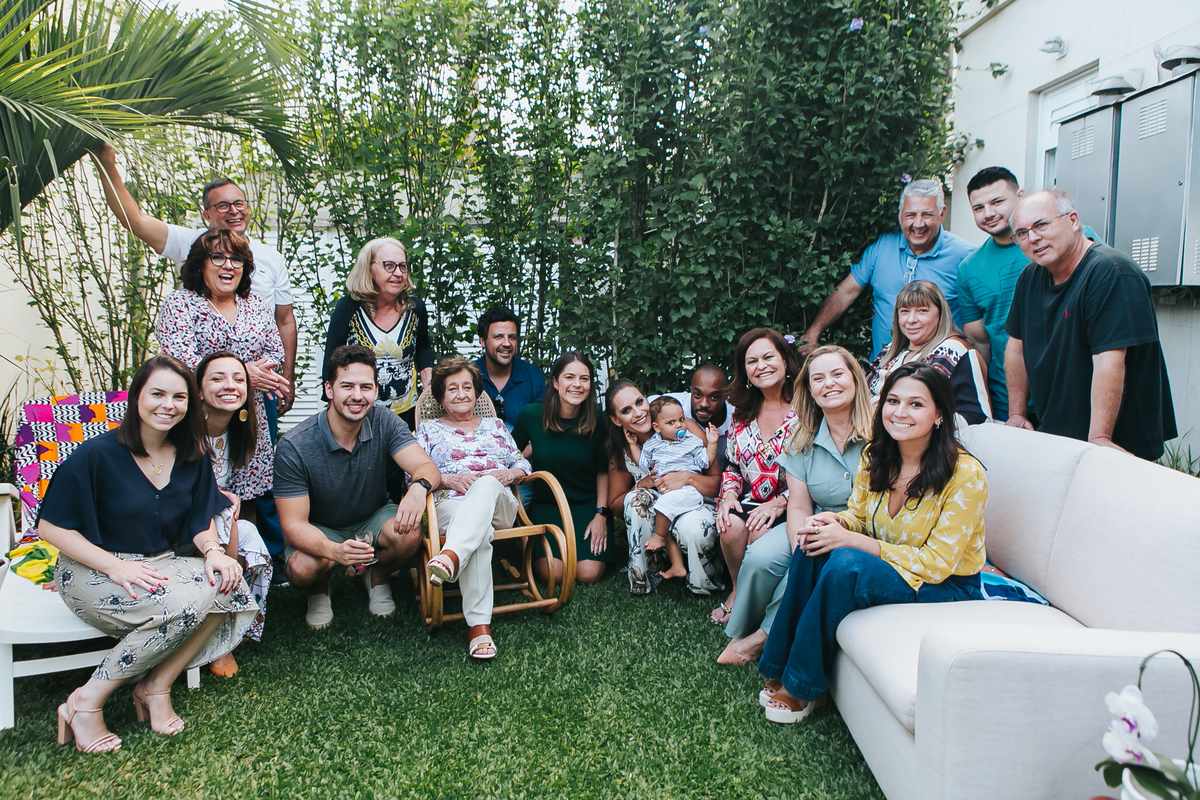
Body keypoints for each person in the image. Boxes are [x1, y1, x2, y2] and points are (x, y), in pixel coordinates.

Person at [36, 355, 256, 751]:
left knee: (231, 585)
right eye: (157, 394)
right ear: (137, 396)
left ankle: (156, 686)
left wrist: (212, 551)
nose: (167, 405)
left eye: (179, 397)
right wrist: (114, 566)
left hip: (157, 565)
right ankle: (85, 703)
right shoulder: (97, 454)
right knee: (179, 606)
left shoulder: (191, 456)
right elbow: (50, 527)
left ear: (190, 403)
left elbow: (200, 517)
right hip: (91, 567)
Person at [758, 363, 987, 723]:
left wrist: (853, 541)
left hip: (947, 585)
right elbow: (859, 516)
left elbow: (937, 563)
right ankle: (781, 662)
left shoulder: (966, 475)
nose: (900, 412)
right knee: (813, 543)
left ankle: (803, 687)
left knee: (846, 564)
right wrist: (834, 522)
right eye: (893, 401)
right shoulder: (876, 455)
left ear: (940, 415)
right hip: (894, 567)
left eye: (916, 404)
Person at [90, 142, 296, 420]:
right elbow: (135, 220)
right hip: (201, 397)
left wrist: (286, 378)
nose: (233, 211)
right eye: (223, 205)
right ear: (207, 215)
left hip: (258, 392)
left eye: (239, 204)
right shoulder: (190, 243)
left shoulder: (271, 258)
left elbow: (284, 320)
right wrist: (107, 164)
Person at [719, 345, 872, 665]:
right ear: (810, 390)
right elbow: (800, 505)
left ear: (855, 379)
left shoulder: (881, 432)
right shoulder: (802, 438)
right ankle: (741, 627)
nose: (829, 383)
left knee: (800, 574)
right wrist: (797, 545)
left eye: (837, 374)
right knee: (760, 557)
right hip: (811, 518)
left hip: (864, 527)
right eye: (818, 378)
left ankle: (761, 639)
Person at [274, 345, 441, 628]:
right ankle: (319, 587)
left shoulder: (384, 421)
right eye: (347, 386)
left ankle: (377, 576)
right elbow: (293, 525)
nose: (357, 396)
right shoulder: (295, 445)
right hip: (320, 527)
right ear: (329, 389)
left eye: (366, 387)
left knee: (410, 533)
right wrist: (333, 551)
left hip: (372, 517)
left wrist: (418, 488)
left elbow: (426, 467)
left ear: (375, 390)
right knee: (301, 568)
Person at [1005, 190, 1177, 461]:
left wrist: (1100, 437)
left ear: (1073, 220)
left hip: (1117, 442)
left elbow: (1109, 358)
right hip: (1057, 433)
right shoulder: (1029, 277)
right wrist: (1017, 413)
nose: (1033, 238)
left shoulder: (1112, 272)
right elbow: (1016, 348)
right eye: (1022, 233)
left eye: (1041, 225)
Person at [155, 229, 290, 515]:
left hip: (249, 417)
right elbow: (180, 361)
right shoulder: (181, 304)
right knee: (193, 496)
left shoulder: (255, 305)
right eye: (218, 257)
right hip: (196, 418)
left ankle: (245, 546)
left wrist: (249, 376)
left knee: (246, 501)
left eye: (236, 259)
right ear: (200, 264)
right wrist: (242, 375)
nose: (228, 265)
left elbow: (276, 353)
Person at [413, 357, 532, 660]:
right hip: (450, 502)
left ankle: (452, 555)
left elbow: (522, 463)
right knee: (480, 534)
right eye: (452, 388)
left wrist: (508, 474)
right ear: (440, 397)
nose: (461, 393)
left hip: (499, 504)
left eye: (467, 387)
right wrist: (448, 478)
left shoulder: (496, 426)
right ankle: (479, 629)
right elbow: (412, 474)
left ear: (477, 393)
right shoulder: (427, 430)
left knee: (487, 484)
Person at [799, 179, 975, 357]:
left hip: (938, 368)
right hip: (884, 367)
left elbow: (977, 322)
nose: (918, 223)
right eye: (910, 215)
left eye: (927, 214)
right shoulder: (882, 247)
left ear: (942, 214)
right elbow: (846, 292)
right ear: (900, 216)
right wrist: (813, 332)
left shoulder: (965, 257)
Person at [195, 351, 275, 678]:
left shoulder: (237, 430)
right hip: (180, 519)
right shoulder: (185, 432)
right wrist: (218, 500)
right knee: (227, 520)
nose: (230, 385)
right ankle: (216, 636)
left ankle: (232, 623)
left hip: (214, 517)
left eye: (239, 379)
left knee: (248, 533)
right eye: (218, 378)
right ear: (199, 390)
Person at [713, 329, 801, 625]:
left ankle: (761, 603)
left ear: (785, 361)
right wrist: (728, 495)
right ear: (745, 371)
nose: (761, 366)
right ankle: (738, 590)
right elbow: (732, 466)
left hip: (793, 502)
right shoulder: (742, 413)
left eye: (768, 357)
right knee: (729, 525)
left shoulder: (807, 410)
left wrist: (780, 502)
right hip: (750, 499)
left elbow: (815, 471)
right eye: (752, 361)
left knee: (760, 532)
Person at [606, 379, 724, 596]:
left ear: (646, 399)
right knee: (637, 500)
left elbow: (716, 483)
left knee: (692, 527)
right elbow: (615, 505)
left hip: (694, 500)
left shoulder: (683, 427)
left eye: (639, 402)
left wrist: (687, 478)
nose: (638, 413)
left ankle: (703, 581)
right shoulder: (623, 448)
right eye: (626, 410)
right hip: (661, 509)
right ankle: (648, 574)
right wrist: (641, 485)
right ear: (616, 419)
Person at [513, 352, 611, 585]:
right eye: (569, 377)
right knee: (552, 574)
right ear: (555, 383)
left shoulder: (598, 420)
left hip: (587, 505)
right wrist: (532, 451)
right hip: (547, 504)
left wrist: (601, 514)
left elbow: (603, 471)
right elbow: (510, 455)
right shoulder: (531, 415)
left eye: (584, 378)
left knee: (588, 574)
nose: (577, 384)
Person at [322, 237, 434, 431]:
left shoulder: (415, 308)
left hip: (406, 413)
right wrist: (334, 409)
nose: (398, 273)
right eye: (389, 266)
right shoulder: (348, 308)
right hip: (358, 411)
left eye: (402, 266)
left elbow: (423, 348)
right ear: (369, 268)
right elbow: (331, 361)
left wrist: (428, 381)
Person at [866, 280, 991, 425]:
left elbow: (978, 417)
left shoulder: (956, 351)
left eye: (922, 311)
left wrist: (929, 427)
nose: (911, 320)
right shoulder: (889, 351)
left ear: (940, 314)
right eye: (905, 311)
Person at [954, 167, 1025, 421]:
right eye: (978, 208)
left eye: (997, 202)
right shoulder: (969, 268)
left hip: (1064, 393)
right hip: (1004, 398)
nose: (988, 213)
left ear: (1020, 197)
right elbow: (978, 342)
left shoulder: (1057, 241)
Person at [628, 396, 719, 580]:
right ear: (657, 427)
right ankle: (677, 565)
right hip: (668, 494)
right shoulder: (652, 444)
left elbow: (705, 461)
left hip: (689, 492)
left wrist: (712, 443)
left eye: (681, 419)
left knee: (662, 515)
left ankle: (658, 536)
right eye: (671, 422)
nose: (679, 425)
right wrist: (632, 445)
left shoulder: (691, 441)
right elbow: (643, 464)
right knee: (665, 523)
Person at [474, 305, 546, 430]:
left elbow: (543, 430)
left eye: (512, 337)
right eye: (498, 337)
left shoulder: (535, 379)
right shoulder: (468, 377)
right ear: (483, 341)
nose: (507, 343)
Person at [654, 365, 735, 471]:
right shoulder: (674, 407)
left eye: (714, 397)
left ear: (726, 395)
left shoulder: (738, 415)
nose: (704, 404)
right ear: (691, 390)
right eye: (697, 395)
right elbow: (641, 408)